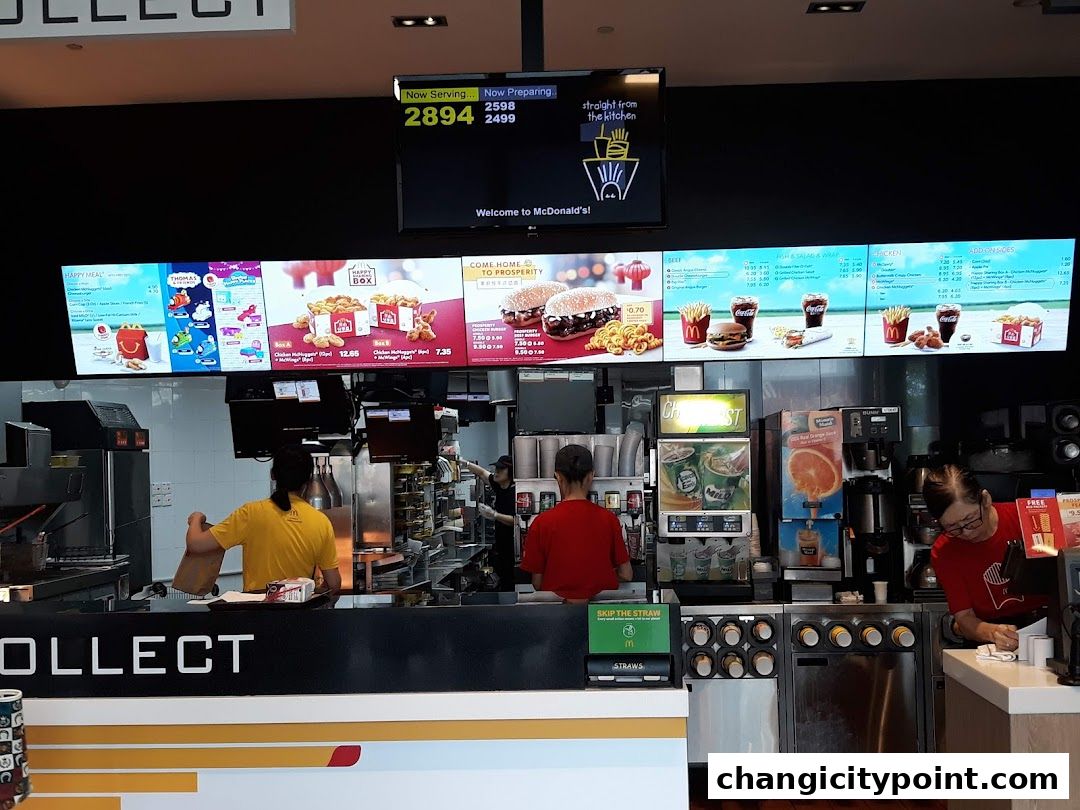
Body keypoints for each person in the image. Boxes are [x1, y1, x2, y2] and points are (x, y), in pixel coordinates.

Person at [185, 444, 342, 594]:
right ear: (308, 479)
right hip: (298, 615)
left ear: (273, 474)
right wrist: (312, 592)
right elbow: (334, 584)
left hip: (257, 615)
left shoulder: (250, 513)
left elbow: (196, 544)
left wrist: (196, 519)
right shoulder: (321, 522)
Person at [924, 464, 1048, 651]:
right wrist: (993, 633)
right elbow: (964, 618)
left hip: (1049, 624)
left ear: (986, 500)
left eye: (971, 519)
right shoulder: (944, 551)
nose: (966, 532)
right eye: (952, 527)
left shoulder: (1027, 518)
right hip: (989, 638)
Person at [521, 444, 632, 602]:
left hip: (557, 617)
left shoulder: (541, 523)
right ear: (591, 476)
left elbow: (537, 583)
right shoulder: (609, 519)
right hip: (601, 617)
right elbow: (626, 574)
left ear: (558, 477)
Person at [464, 455, 518, 590]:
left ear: (510, 471)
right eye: (496, 468)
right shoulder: (499, 485)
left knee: (510, 580)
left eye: (501, 469)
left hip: (513, 546)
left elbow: (515, 521)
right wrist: (463, 462)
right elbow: (482, 472)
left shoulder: (515, 491)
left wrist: (494, 515)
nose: (496, 472)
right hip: (501, 544)